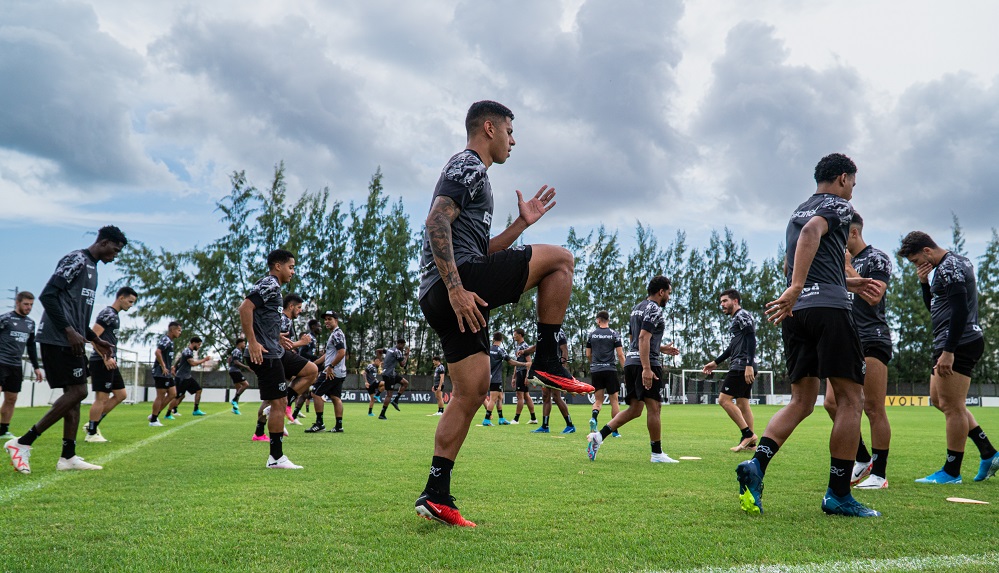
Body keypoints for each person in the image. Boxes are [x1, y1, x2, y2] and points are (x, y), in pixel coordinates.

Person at [414, 100, 593, 527]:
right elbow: (435, 221)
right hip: (455, 285)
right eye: (511, 132)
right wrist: (457, 288)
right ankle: (548, 358)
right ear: (489, 128)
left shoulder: (477, 179)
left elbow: (480, 248)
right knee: (562, 260)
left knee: (472, 392)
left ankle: (436, 492)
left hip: (442, 292)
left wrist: (520, 227)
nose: (514, 141)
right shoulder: (468, 166)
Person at [736, 153, 882, 518]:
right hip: (828, 311)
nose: (853, 191)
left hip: (797, 314)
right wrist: (798, 286)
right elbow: (811, 234)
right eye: (853, 184)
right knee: (851, 400)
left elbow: (798, 258)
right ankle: (838, 495)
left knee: (801, 401)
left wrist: (849, 282)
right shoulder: (838, 206)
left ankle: (757, 466)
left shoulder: (797, 210)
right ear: (844, 178)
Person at [5, 225, 125, 474]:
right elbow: (48, 295)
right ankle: (23, 442)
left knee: (74, 396)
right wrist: (69, 331)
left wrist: (95, 339)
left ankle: (68, 457)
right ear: (103, 243)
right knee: (79, 391)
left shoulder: (93, 269)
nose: (116, 255)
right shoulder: (77, 259)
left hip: (72, 339)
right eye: (115, 249)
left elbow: (78, 314)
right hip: (57, 338)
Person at [899, 231, 999, 484]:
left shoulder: (950, 266)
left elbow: (960, 310)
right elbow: (936, 308)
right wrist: (923, 283)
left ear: (927, 251)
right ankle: (988, 452)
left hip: (959, 342)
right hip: (948, 340)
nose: (917, 266)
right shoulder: (946, 266)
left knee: (953, 407)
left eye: (916, 261)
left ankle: (951, 472)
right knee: (939, 400)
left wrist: (949, 351)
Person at [822, 213, 894, 489]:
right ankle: (863, 459)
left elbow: (874, 297)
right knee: (831, 403)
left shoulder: (877, 258)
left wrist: (849, 270)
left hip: (872, 338)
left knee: (873, 407)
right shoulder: (838, 263)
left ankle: (880, 474)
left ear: (852, 233)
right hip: (845, 338)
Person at [586, 276, 681, 463]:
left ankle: (599, 436)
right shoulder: (654, 309)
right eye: (668, 293)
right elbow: (643, 338)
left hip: (631, 361)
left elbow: (636, 338)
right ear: (661, 292)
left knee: (635, 409)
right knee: (655, 407)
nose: (669, 297)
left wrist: (660, 348)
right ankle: (657, 454)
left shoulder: (637, 308)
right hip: (645, 364)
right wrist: (647, 368)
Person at [239, 249, 318, 469]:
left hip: (276, 349)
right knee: (278, 402)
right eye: (291, 267)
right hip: (265, 354)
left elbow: (262, 317)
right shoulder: (270, 283)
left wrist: (276, 337)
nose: (293, 271)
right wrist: (253, 342)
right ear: (278, 266)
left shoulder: (273, 287)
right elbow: (245, 308)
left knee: (311, 370)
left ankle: (281, 406)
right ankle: (275, 457)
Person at [701, 289, 758, 452]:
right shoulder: (737, 319)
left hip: (742, 366)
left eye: (725, 301)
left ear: (735, 301)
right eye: (721, 302)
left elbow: (751, 338)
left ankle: (747, 434)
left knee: (723, 400)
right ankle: (751, 444)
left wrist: (747, 365)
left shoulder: (742, 315)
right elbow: (732, 347)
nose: (722, 305)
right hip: (744, 364)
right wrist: (716, 362)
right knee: (742, 403)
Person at [84, 286, 138, 442]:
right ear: (120, 298)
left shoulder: (115, 315)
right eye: (129, 301)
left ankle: (92, 424)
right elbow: (93, 336)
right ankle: (92, 433)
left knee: (121, 395)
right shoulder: (107, 314)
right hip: (102, 361)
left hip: (111, 361)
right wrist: (105, 357)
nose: (130, 305)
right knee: (101, 398)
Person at [0, 292, 44, 440]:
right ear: (17, 303)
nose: (29, 307)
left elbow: (31, 347)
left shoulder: (31, 323)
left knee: (11, 398)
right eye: (26, 304)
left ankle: (3, 430)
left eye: (31, 305)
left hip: (15, 365)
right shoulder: (5, 319)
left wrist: (36, 367)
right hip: (1, 362)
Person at [527, 329, 577, 434]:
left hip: (555, 368)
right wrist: (525, 352)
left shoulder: (559, 331)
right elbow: (537, 348)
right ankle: (545, 426)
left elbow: (564, 350)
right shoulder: (543, 331)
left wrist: (562, 370)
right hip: (545, 368)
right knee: (545, 395)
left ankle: (570, 425)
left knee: (556, 396)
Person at [306, 310, 347, 433]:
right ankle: (339, 426)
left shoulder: (336, 334)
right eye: (325, 319)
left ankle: (319, 423)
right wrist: (313, 364)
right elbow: (328, 355)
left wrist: (330, 367)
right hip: (340, 372)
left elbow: (341, 352)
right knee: (335, 397)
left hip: (332, 371)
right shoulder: (336, 334)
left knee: (315, 393)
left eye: (330, 319)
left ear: (336, 320)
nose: (327, 321)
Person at [586, 310, 626, 434]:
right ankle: (614, 430)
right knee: (614, 400)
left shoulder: (592, 334)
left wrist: (594, 364)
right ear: (608, 320)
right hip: (610, 369)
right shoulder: (614, 334)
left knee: (598, 400)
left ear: (598, 320)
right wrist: (626, 370)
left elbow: (588, 354)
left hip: (596, 370)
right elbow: (620, 354)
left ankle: (594, 417)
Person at [482, 332, 527, 426]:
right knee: (493, 399)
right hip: (496, 378)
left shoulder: (488, 349)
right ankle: (486, 420)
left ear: (493, 339)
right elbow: (510, 362)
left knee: (499, 397)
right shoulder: (500, 350)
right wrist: (524, 364)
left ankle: (501, 419)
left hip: (488, 377)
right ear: (502, 339)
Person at [280, 293, 312, 425]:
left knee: (276, 395)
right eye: (299, 307)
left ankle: (259, 432)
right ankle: (287, 404)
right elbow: (279, 343)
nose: (301, 310)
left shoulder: (286, 320)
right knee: (312, 371)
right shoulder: (283, 319)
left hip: (280, 357)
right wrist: (301, 343)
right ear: (290, 306)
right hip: (277, 358)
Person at [167, 336, 211, 417]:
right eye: (198, 345)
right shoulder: (188, 351)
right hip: (182, 378)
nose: (199, 347)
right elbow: (193, 363)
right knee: (178, 396)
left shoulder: (188, 351)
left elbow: (180, 359)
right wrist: (204, 360)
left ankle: (195, 410)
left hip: (186, 377)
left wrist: (174, 367)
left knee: (198, 390)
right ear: (193, 343)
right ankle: (168, 413)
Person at [149, 322, 181, 426]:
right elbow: (157, 352)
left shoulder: (171, 341)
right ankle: (153, 420)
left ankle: (154, 414)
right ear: (172, 330)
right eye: (178, 330)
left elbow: (165, 355)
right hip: (160, 372)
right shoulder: (166, 339)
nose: (180, 332)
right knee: (161, 395)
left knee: (173, 393)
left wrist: (170, 366)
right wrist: (163, 366)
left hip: (167, 372)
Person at [291, 319, 322, 420]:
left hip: (308, 367)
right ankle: (282, 409)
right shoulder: (309, 337)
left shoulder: (313, 338)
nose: (320, 328)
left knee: (304, 394)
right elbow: (302, 353)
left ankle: (293, 417)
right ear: (313, 327)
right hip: (304, 368)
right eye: (318, 326)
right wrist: (316, 358)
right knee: (298, 392)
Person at [377, 339, 410, 419]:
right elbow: (402, 364)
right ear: (399, 344)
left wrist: (380, 361)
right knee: (389, 395)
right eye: (402, 345)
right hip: (389, 375)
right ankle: (382, 414)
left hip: (392, 374)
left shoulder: (389, 349)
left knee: (405, 383)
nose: (403, 347)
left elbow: (378, 351)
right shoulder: (397, 351)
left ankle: (396, 400)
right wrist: (406, 355)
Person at [509, 328, 536, 425]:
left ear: (520, 335)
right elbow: (517, 363)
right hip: (520, 373)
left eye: (515, 334)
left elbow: (529, 362)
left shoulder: (524, 346)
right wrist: (513, 376)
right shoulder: (518, 346)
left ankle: (516, 419)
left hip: (523, 373)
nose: (513, 336)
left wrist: (527, 376)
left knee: (519, 395)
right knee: (526, 396)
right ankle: (533, 418)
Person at [228, 338, 251, 414]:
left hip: (234, 370)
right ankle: (234, 400)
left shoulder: (237, 351)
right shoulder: (237, 351)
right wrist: (246, 367)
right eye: (243, 343)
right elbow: (236, 361)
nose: (244, 345)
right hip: (235, 370)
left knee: (238, 389)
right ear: (239, 343)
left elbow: (229, 359)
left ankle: (235, 408)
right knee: (246, 384)